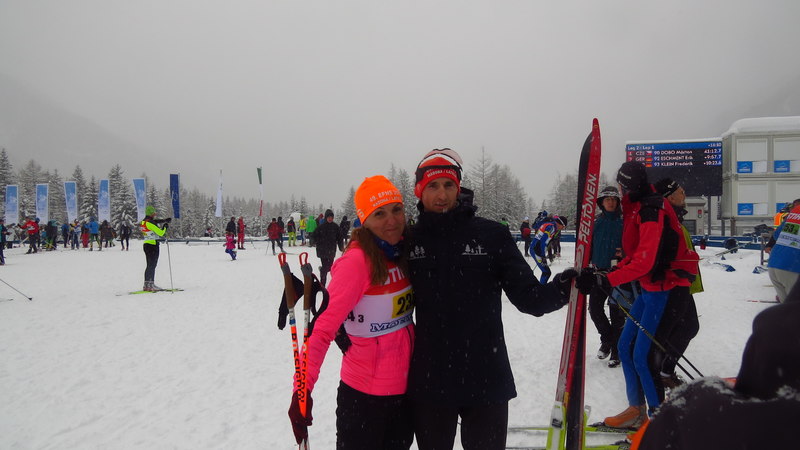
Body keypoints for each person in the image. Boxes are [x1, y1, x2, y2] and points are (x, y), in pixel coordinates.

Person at [407, 148, 577, 450]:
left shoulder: (491, 235)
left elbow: (530, 298)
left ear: (458, 188)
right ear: (419, 190)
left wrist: (565, 286)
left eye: (448, 185)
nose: (442, 194)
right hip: (431, 380)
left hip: (485, 376)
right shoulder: (409, 241)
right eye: (432, 186)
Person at [289, 175, 415, 450]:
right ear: (364, 220)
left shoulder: (403, 253)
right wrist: (302, 390)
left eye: (396, 210)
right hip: (364, 399)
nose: (391, 220)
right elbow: (322, 329)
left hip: (404, 395)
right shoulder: (357, 262)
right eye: (379, 213)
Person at [576, 161, 699, 427]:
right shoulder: (637, 207)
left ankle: (657, 423)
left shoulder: (651, 210)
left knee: (644, 356)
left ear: (625, 186)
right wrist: (606, 272)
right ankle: (637, 410)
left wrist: (607, 278)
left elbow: (645, 261)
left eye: (621, 186)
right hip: (650, 288)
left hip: (666, 290)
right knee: (624, 346)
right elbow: (635, 256)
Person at [631, 282, 800, 450]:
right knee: (646, 350)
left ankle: (654, 396)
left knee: (680, 332)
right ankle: (644, 403)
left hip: (671, 286)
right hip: (663, 286)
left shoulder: (695, 404)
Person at [651, 178, 704, 396]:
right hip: (672, 284)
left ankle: (663, 370)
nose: (685, 195)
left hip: (680, 283)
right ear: (670, 197)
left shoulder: (674, 218)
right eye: (681, 192)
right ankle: (661, 371)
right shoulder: (666, 218)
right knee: (685, 327)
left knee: (681, 328)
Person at [588, 186, 625, 366]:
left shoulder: (624, 222)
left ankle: (617, 351)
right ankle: (607, 340)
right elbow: (588, 246)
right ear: (601, 203)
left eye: (613, 199)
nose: (611, 202)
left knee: (617, 313)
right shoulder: (595, 222)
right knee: (594, 309)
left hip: (619, 273)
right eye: (607, 199)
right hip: (598, 273)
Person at [766, 200, 800, 302]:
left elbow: (776, 235)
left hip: (774, 263)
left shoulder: (792, 215)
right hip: (792, 266)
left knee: (787, 307)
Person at [530, 215, 568, 284]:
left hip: (536, 249)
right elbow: (542, 242)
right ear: (560, 223)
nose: (563, 228)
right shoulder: (551, 227)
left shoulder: (551, 225)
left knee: (546, 272)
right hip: (536, 250)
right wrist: (542, 256)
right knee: (546, 272)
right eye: (563, 226)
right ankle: (541, 289)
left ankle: (541, 288)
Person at [140, 206, 169, 291]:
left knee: (149, 265)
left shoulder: (144, 222)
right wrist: (165, 227)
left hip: (146, 245)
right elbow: (161, 233)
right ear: (151, 213)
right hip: (153, 246)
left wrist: (163, 220)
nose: (155, 214)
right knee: (152, 265)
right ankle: (151, 284)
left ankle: (146, 285)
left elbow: (154, 221)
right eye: (154, 213)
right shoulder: (150, 223)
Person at [313, 209, 344, 286]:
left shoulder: (335, 227)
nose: (330, 219)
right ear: (326, 218)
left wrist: (341, 247)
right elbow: (314, 236)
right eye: (329, 217)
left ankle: (322, 270)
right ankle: (322, 284)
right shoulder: (321, 227)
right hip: (322, 250)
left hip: (331, 250)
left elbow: (340, 238)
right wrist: (314, 241)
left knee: (330, 267)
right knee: (325, 267)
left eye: (331, 217)